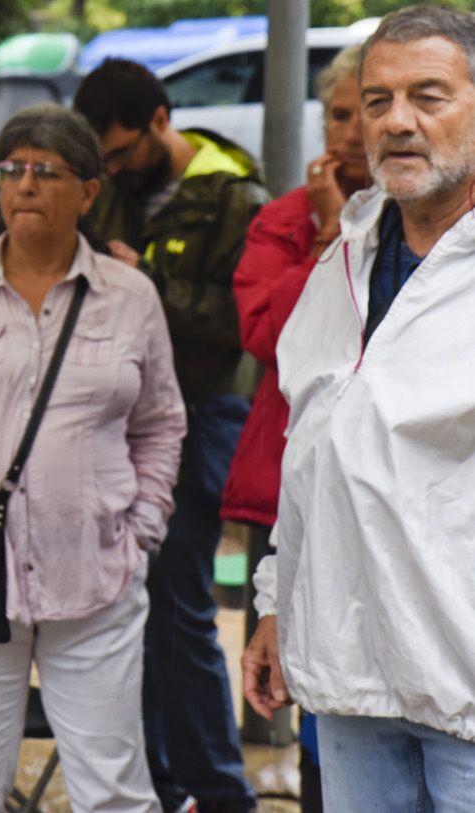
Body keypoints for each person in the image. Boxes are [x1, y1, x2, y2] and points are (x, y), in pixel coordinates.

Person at [0, 103, 186, 813]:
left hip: (98, 573)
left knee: (112, 786)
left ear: (88, 192)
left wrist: (143, 529)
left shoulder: (131, 297)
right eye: (12, 169)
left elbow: (162, 423)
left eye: (46, 171)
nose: (24, 185)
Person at [243, 5, 475, 812]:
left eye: (429, 96)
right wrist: (277, 601)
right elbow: (313, 445)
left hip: (466, 696)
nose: (397, 122)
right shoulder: (344, 257)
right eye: (377, 101)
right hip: (352, 685)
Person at [75, 59, 266, 813]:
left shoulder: (234, 196)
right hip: (114, 415)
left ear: (161, 120)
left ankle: (219, 789)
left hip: (201, 407)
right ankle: (161, 782)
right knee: (130, 599)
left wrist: (146, 281)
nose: (114, 169)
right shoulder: (112, 190)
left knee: (179, 598)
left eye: (121, 153)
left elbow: (240, 321)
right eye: (104, 159)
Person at [224, 46, 367, 812]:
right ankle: (296, 757)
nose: (350, 131)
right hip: (296, 471)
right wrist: (326, 233)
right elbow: (266, 335)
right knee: (287, 641)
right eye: (339, 113)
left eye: (360, 110)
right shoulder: (283, 218)